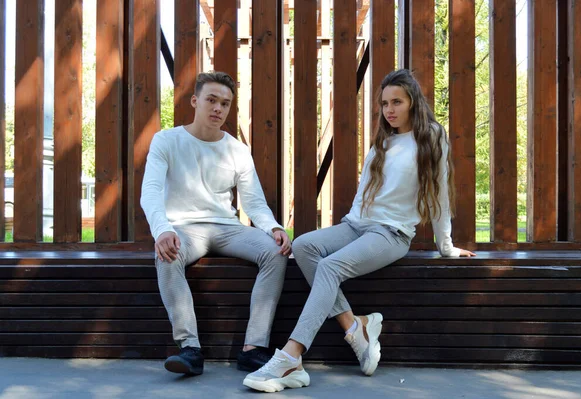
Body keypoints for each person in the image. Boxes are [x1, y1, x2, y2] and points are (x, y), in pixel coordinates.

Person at [243, 69, 476, 392]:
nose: (389, 110)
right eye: (384, 103)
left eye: (397, 102)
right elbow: (365, 190)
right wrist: (348, 224)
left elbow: (439, 194)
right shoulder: (384, 139)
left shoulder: (432, 137)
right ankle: (356, 326)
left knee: (329, 267)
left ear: (413, 103)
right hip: (358, 225)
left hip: (391, 234)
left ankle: (291, 356)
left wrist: (446, 246)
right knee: (307, 246)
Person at [141, 71, 291, 376]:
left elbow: (254, 203)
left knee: (276, 253)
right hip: (183, 228)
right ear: (195, 101)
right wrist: (163, 230)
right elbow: (151, 193)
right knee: (167, 256)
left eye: (225, 103)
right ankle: (189, 350)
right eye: (211, 100)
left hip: (227, 228)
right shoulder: (166, 141)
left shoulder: (237, 150)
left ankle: (253, 349)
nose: (218, 108)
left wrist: (274, 228)